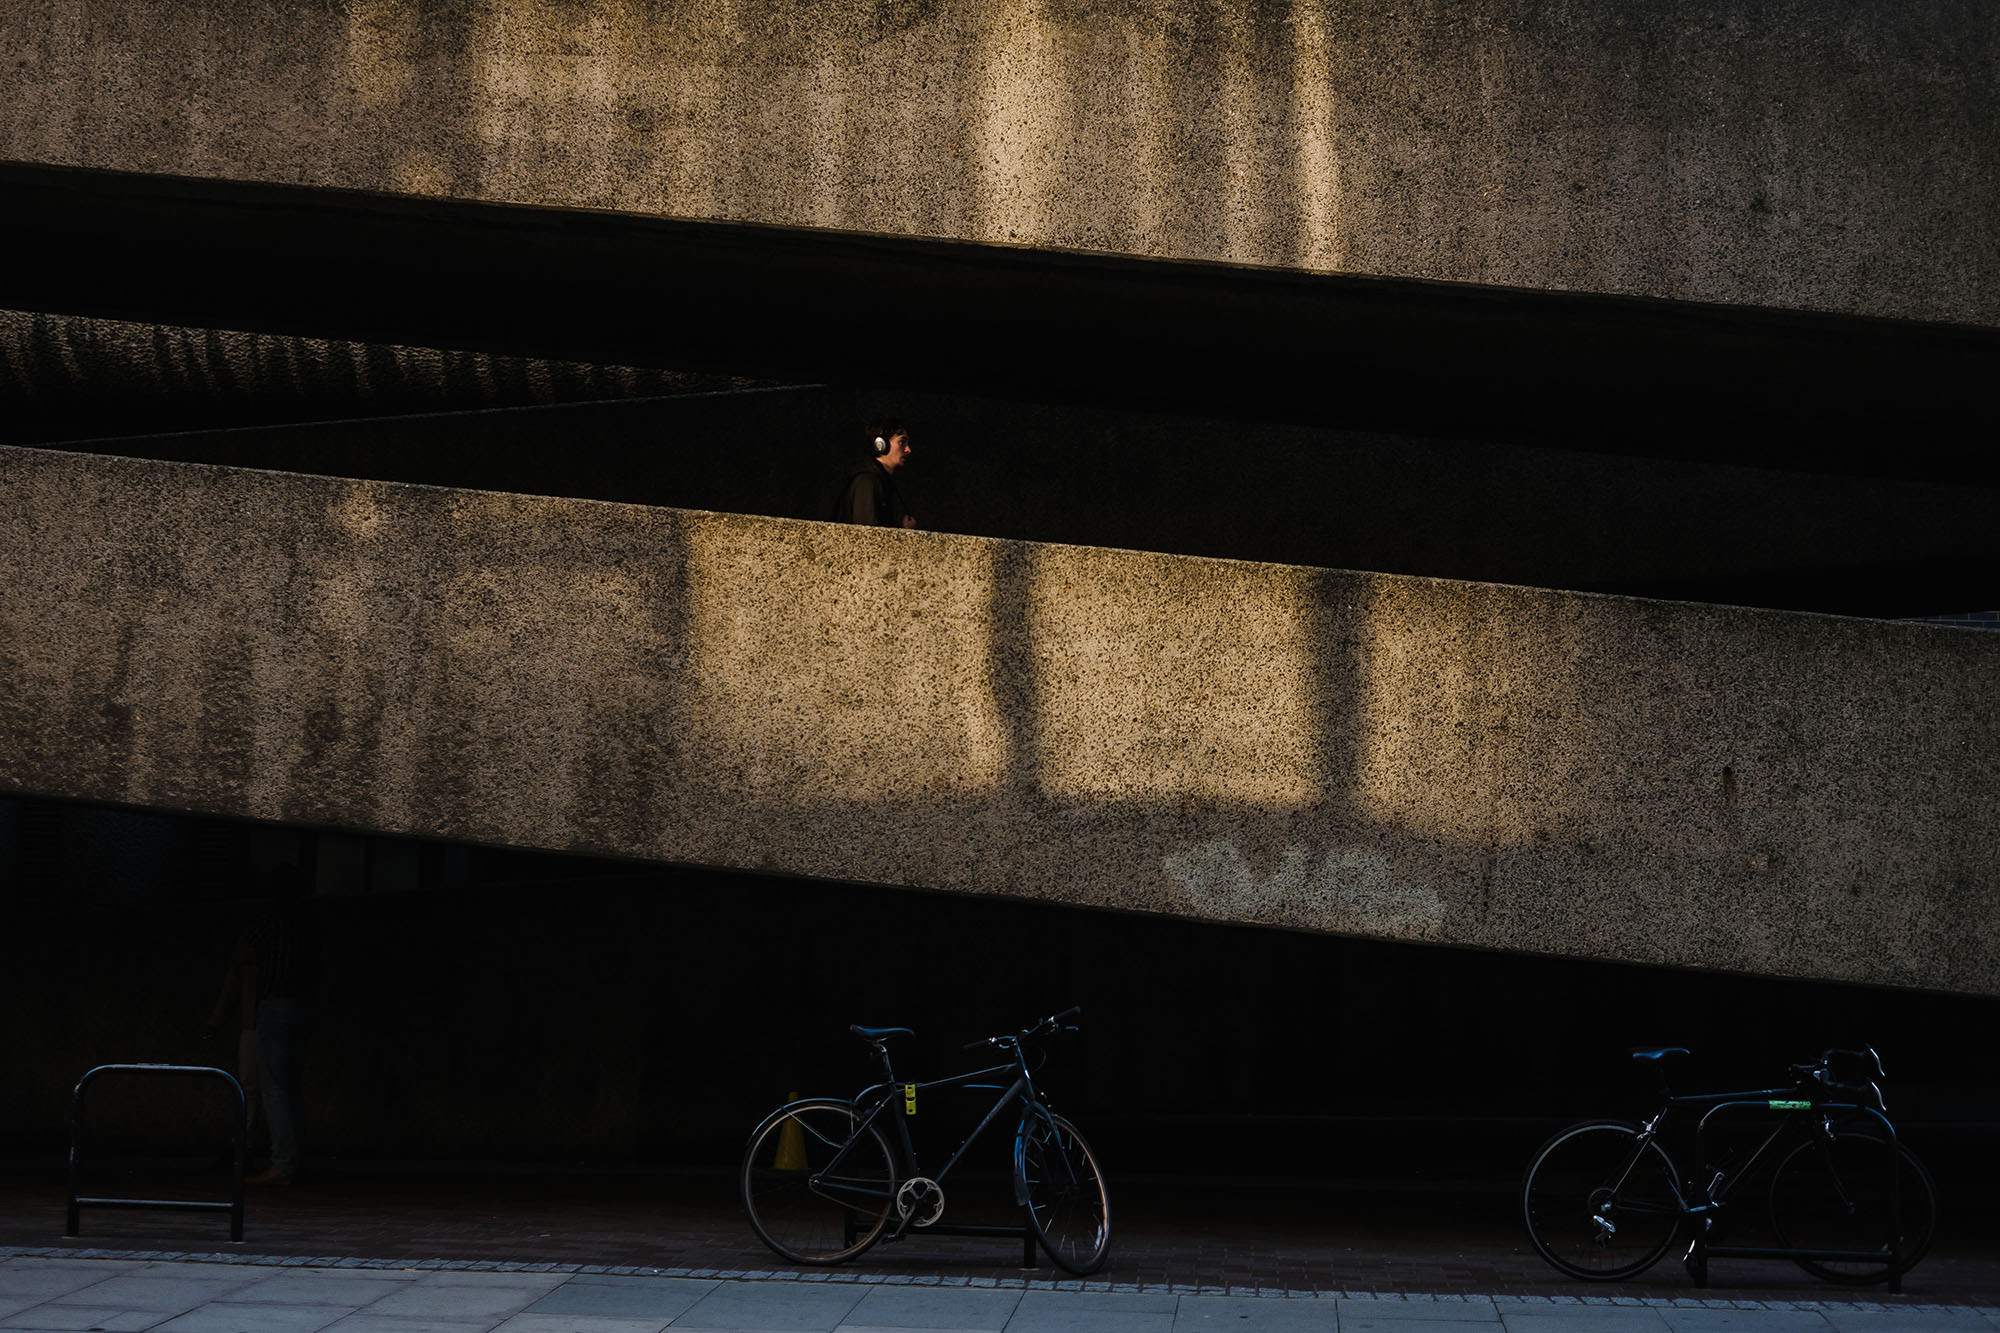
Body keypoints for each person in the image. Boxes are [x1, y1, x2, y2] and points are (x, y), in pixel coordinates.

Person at [829, 426, 917, 528]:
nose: (908, 449)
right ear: (881, 444)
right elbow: (868, 536)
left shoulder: (882, 481)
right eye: (902, 442)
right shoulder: (867, 481)